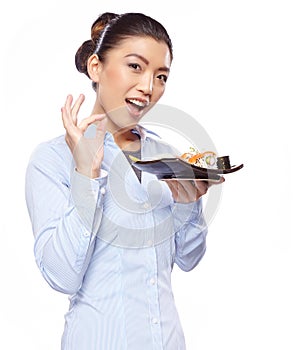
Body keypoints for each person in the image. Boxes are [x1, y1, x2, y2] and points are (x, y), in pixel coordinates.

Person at [25, 12, 223, 350]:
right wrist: (86, 175)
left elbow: (189, 259)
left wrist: (188, 203)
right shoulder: (53, 159)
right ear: (95, 67)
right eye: (136, 66)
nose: (149, 88)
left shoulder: (166, 154)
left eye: (161, 76)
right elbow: (62, 276)